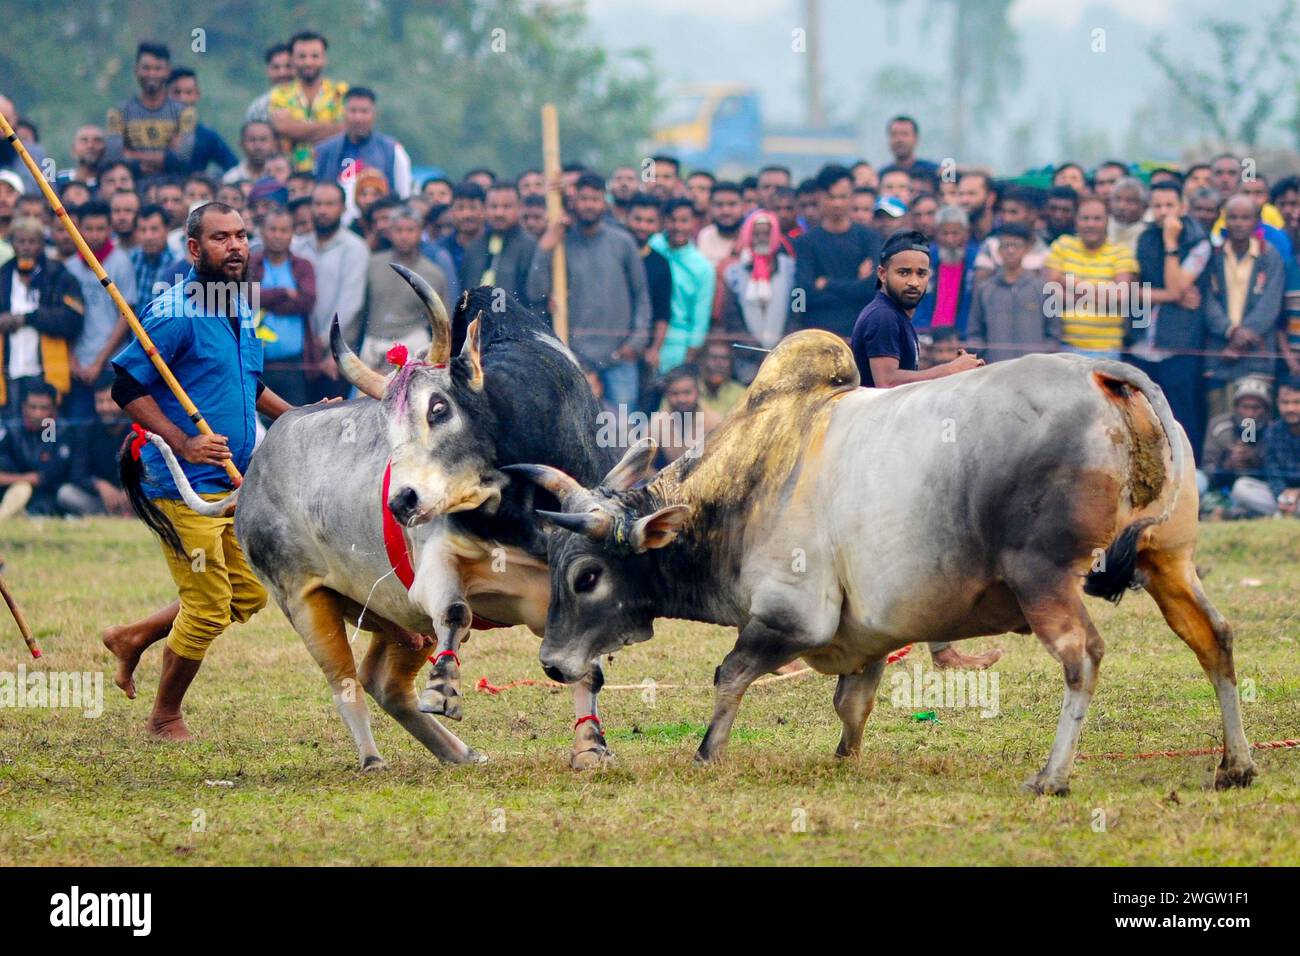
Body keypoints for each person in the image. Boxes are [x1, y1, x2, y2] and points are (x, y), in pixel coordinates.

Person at [104, 201, 297, 739]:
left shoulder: (237, 305)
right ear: (194, 248)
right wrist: (183, 441)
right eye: (220, 238)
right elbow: (125, 388)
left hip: (233, 483)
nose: (235, 246)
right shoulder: (174, 311)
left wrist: (302, 418)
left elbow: (249, 386)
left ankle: (134, 636)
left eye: (241, 235)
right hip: (179, 486)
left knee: (248, 593)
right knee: (209, 608)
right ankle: (164, 717)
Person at [849, 229, 995, 672]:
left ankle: (940, 650)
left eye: (921, 273)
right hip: (876, 454)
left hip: (892, 448)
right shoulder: (881, 318)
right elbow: (887, 383)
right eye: (903, 272)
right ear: (881, 274)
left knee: (926, 550)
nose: (913, 281)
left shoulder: (897, 317)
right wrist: (951, 370)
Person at [527, 172, 650, 409]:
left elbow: (641, 296)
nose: (588, 205)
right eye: (583, 199)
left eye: (594, 199)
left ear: (604, 202)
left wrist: (635, 342)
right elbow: (536, 292)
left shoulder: (623, 242)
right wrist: (544, 246)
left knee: (622, 433)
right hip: (575, 356)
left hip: (619, 357)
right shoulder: (561, 243)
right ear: (574, 202)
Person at [1130, 181, 1212, 452]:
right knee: (1142, 416)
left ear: (1183, 207)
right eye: (1157, 206)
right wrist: (1170, 294)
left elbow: (1176, 285)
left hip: (1179, 344)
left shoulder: (1199, 242)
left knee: (1180, 414)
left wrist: (1170, 244)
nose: (1163, 212)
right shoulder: (1144, 238)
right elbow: (1141, 289)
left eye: (1169, 205)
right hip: (1142, 340)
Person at [291, 181, 369, 400]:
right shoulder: (298, 246)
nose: (323, 210)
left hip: (336, 354)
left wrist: (324, 341)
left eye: (330, 204)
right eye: (317, 204)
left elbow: (350, 303)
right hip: (303, 353)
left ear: (343, 208)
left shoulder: (355, 248)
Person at [0, 217, 84, 414]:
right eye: (21, 241)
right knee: (11, 430)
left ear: (42, 243)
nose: (26, 247)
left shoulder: (58, 275)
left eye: (32, 241)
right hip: (8, 370)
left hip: (46, 372)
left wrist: (28, 318)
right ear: (12, 243)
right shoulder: (3, 275)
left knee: (48, 429)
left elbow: (73, 319)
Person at [1204, 195, 1285, 397]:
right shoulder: (1213, 254)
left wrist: (1243, 337)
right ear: (1224, 220)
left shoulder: (1269, 255)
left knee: (1252, 419)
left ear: (1256, 221)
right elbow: (1207, 301)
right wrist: (1229, 331)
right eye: (1233, 217)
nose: (1239, 223)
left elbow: (1270, 304)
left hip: (1257, 352)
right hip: (1219, 352)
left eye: (1245, 218)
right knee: (1217, 419)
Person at [63, 200, 137, 421]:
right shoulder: (70, 267)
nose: (95, 234)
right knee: (81, 427)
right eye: (89, 228)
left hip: (112, 362)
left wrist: (99, 361)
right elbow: (67, 320)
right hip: (79, 364)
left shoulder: (121, 262)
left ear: (109, 229)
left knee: (115, 427)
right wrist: (73, 360)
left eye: (100, 228)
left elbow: (126, 316)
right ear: (79, 229)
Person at [1042, 195, 1138, 359]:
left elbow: (1119, 297)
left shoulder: (1121, 251)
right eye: (1085, 218)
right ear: (1076, 220)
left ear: (1108, 220)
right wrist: (1102, 293)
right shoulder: (1063, 245)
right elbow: (1050, 290)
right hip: (1065, 347)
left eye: (1097, 219)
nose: (1090, 224)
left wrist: (1068, 282)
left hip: (1107, 350)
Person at [791, 164, 881, 339]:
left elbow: (873, 288)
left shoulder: (869, 238)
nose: (837, 203)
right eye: (831, 197)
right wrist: (854, 288)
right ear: (820, 197)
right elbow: (802, 293)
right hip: (818, 335)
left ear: (852, 197)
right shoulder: (806, 242)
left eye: (843, 197)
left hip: (860, 334)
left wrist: (827, 284)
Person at [361, 205, 448, 372]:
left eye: (410, 230)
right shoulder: (373, 264)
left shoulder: (433, 273)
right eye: (399, 230)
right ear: (389, 232)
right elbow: (359, 311)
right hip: (374, 350)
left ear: (420, 231)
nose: (404, 236)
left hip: (414, 350)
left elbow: (442, 322)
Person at [249, 207, 316, 407]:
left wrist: (266, 300)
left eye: (284, 230)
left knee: (295, 420)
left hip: (293, 364)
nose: (278, 235)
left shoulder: (302, 266)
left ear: (292, 233)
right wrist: (283, 293)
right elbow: (246, 298)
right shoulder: (251, 264)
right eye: (272, 229)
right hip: (257, 364)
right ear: (262, 231)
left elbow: (307, 301)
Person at [965, 222, 1054, 363]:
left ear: (1026, 249)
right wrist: (984, 358)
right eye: (1006, 246)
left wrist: (1042, 359)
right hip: (995, 368)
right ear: (999, 251)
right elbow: (975, 332)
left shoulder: (1043, 289)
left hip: (1034, 370)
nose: (1011, 251)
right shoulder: (985, 289)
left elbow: (1053, 334)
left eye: (1016, 246)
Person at [103, 42, 196, 176]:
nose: (151, 73)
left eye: (158, 68)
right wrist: (164, 157)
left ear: (167, 71)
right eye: (146, 68)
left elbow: (181, 157)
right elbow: (115, 156)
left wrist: (131, 154)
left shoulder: (185, 113)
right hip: (131, 189)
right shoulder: (119, 112)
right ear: (136, 70)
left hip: (172, 189)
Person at [648, 198, 715, 374]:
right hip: (646, 336)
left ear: (694, 223)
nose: (678, 226)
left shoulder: (702, 267)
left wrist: (688, 358)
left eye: (684, 220)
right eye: (672, 220)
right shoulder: (651, 246)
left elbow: (700, 318)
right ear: (663, 220)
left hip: (677, 343)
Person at [268, 30, 348, 172]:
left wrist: (297, 129)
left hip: (332, 171)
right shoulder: (279, 94)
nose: (308, 62)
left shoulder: (339, 92)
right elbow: (283, 128)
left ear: (324, 59)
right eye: (302, 56)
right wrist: (330, 127)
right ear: (292, 59)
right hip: (292, 176)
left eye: (315, 56)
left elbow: (345, 129)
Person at [313, 87, 413, 200]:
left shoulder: (393, 151)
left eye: (364, 112)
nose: (358, 118)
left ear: (374, 114)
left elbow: (404, 196)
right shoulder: (324, 151)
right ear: (344, 113)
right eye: (353, 111)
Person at [1198, 376, 1272, 519]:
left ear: (1266, 410)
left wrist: (1254, 461)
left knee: (1242, 488)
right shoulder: (1218, 426)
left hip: (1252, 488)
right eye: (1245, 407)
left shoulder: (1274, 430)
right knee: (1196, 478)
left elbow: (1276, 475)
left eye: (1256, 408)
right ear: (1236, 408)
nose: (1250, 414)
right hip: (1220, 487)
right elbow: (1207, 467)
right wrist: (1228, 464)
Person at [0, 382, 76, 518]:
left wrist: (20, 480)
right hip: (12, 489)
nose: (38, 413)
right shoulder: (13, 429)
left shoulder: (57, 430)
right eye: (32, 407)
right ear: (23, 407)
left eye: (44, 408)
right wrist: (23, 480)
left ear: (54, 409)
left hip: (48, 495)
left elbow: (46, 476)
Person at [64, 371, 133, 517]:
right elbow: (78, 473)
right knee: (66, 493)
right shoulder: (88, 431)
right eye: (100, 401)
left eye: (110, 401)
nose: (105, 407)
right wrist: (99, 485)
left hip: (134, 500)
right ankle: (108, 516)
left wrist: (133, 488)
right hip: (102, 501)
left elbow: (153, 471)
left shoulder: (137, 429)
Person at [459, 182, 536, 309]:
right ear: (484, 208)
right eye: (493, 206)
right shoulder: (474, 248)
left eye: (506, 207)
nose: (499, 213)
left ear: (520, 207)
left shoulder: (530, 247)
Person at [911, 205, 977, 333]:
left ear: (966, 233)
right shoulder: (923, 260)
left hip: (964, 336)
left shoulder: (977, 261)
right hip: (928, 335)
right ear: (936, 233)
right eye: (944, 233)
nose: (949, 239)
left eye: (955, 233)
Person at [165, 66, 238, 176]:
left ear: (197, 95)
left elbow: (233, 168)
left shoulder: (206, 136)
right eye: (176, 92)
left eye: (188, 92)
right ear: (166, 94)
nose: (182, 98)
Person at [650, 364, 721, 467]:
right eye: (675, 393)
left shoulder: (714, 422)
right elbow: (643, 466)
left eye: (687, 392)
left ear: (697, 392)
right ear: (666, 394)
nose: (681, 399)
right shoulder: (658, 421)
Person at [130, 204, 185, 308]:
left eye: (154, 229)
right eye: (143, 230)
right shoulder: (132, 259)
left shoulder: (177, 264)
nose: (148, 236)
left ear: (167, 229)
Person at [440, 181, 486, 287]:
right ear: (451, 211)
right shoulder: (442, 249)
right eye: (460, 208)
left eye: (472, 208)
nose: (467, 215)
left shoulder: (494, 246)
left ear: (484, 209)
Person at [694, 181, 744, 266]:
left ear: (743, 206)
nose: (726, 211)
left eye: (732, 204)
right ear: (710, 207)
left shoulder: (752, 237)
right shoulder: (705, 235)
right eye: (719, 205)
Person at [245, 42, 294, 125]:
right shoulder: (258, 108)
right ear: (267, 71)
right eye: (276, 67)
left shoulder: (313, 102)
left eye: (288, 66)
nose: (282, 73)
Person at [695, 338, 746, 417]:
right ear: (702, 361)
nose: (719, 364)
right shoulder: (689, 391)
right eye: (713, 358)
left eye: (724, 358)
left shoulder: (741, 394)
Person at [223, 120, 280, 185]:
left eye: (263, 139)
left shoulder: (281, 177)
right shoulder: (231, 179)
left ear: (275, 144)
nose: (258, 146)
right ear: (241, 144)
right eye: (252, 140)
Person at [1107, 177, 1148, 254]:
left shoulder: (1148, 237)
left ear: (1144, 207)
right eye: (1117, 199)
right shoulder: (1101, 229)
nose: (1121, 206)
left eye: (1130, 201)